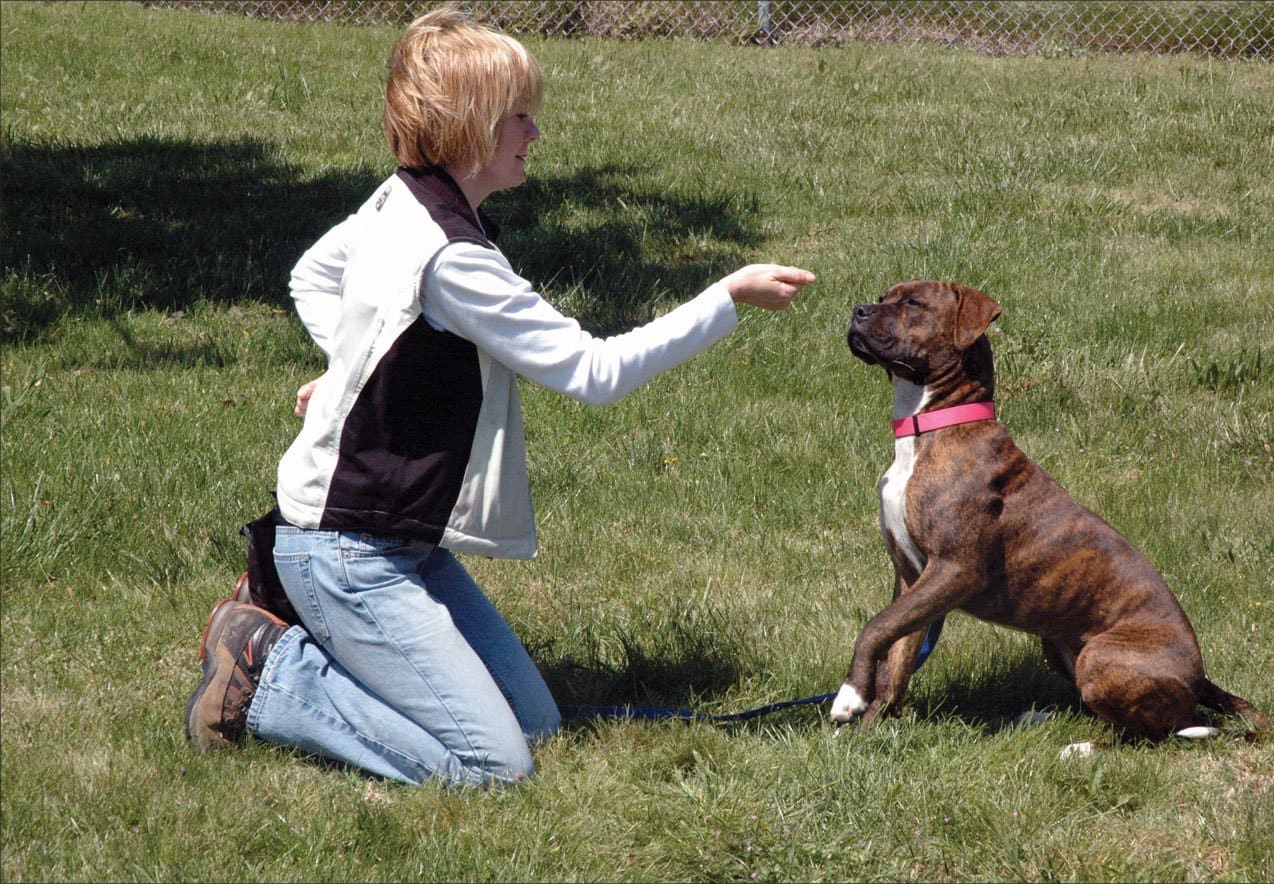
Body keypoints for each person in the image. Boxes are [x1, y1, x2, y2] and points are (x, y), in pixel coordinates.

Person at [185, 6, 814, 787]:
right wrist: (727, 295)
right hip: (346, 553)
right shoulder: (452, 257)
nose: (534, 132)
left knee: (538, 727)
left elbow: (312, 275)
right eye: (520, 115)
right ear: (470, 126)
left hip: (399, 546)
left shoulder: (404, 200)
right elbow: (594, 371)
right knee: (495, 768)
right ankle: (272, 677)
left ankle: (297, 647)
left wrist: (349, 365)